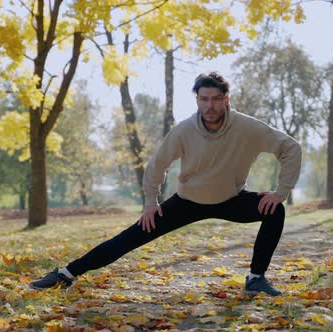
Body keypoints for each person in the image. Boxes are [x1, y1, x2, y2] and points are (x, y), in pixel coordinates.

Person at [30, 72, 302, 296]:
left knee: (275, 210)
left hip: (231, 199)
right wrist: (150, 203)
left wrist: (280, 193)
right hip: (187, 201)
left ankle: (256, 278)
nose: (210, 106)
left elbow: (290, 148)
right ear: (197, 99)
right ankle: (65, 274)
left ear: (227, 99)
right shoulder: (184, 130)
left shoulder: (248, 127)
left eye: (217, 99)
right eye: (204, 99)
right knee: (128, 238)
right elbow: (157, 165)